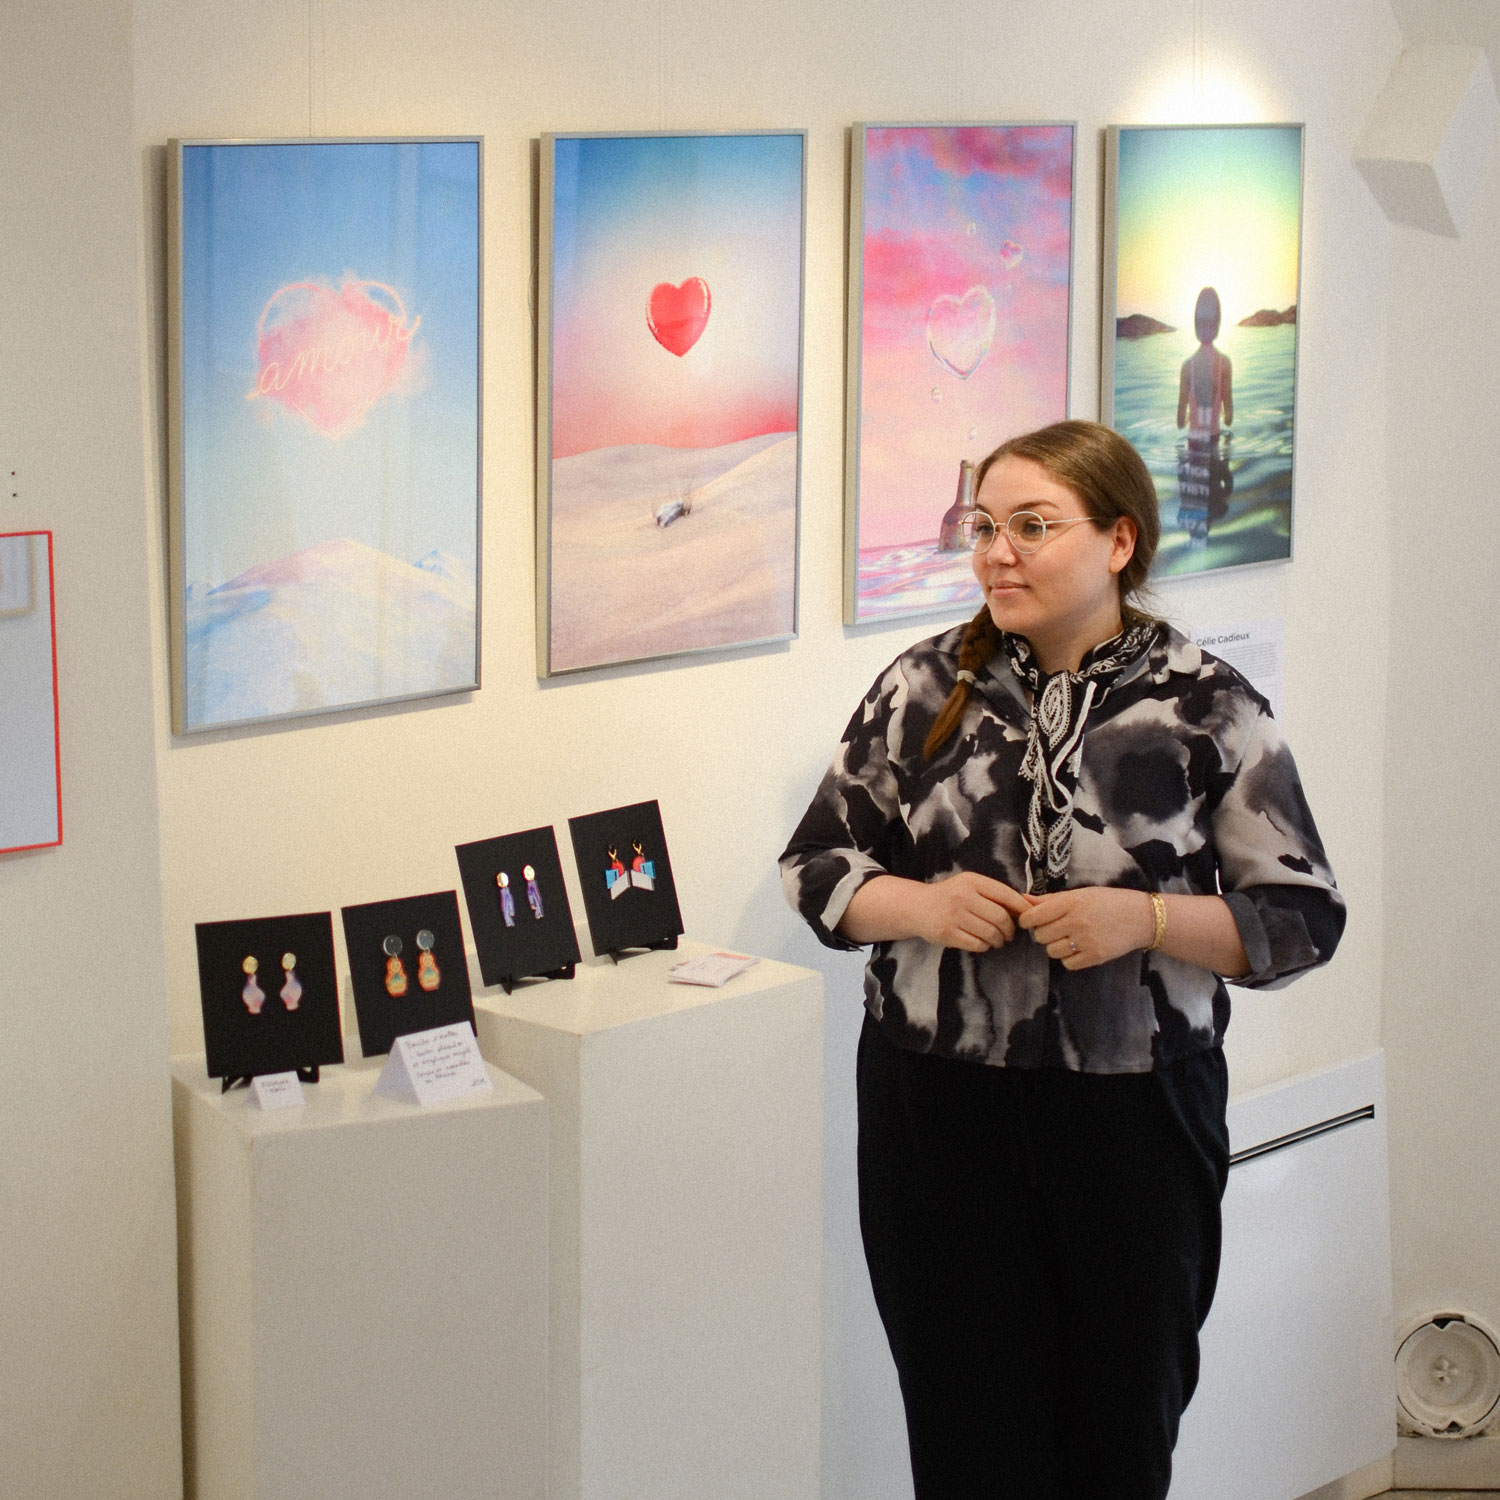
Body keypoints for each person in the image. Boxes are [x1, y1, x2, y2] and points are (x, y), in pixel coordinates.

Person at [780, 419, 1343, 1500]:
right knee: (965, 1440)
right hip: (933, 1113)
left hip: (1133, 1124)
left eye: (1033, 526)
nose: (998, 552)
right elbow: (817, 867)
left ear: (1119, 541)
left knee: (1118, 1442)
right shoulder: (919, 686)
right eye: (985, 526)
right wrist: (921, 904)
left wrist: (1152, 923)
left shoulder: (1206, 704)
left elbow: (1302, 918)